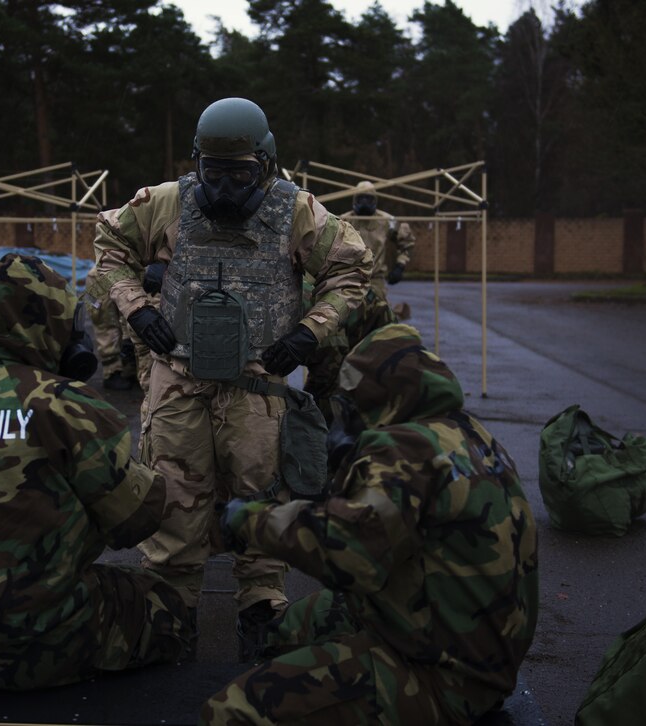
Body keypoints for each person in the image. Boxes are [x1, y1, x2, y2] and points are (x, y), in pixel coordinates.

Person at [90, 97, 372, 661]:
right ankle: (171, 603)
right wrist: (137, 309)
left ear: (265, 164)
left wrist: (310, 332)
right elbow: (109, 248)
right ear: (196, 163)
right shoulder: (164, 203)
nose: (222, 189)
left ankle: (261, 602)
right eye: (212, 173)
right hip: (178, 378)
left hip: (258, 385)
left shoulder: (298, 212)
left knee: (261, 490)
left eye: (238, 176)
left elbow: (351, 268)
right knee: (173, 490)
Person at [203, 323, 539, 724]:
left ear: (385, 398)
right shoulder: (468, 434)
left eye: (356, 405)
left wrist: (246, 520)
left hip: (441, 676)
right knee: (290, 629)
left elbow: (352, 552)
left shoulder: (405, 448)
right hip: (472, 643)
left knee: (233, 710)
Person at [0, 253, 192, 689]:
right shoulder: (63, 405)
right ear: (51, 326)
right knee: (167, 605)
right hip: (41, 649)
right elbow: (136, 519)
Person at [304, 180, 416, 422]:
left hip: (375, 281)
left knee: (376, 327)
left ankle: (370, 375)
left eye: (369, 199)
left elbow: (407, 242)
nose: (364, 203)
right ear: (354, 200)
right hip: (348, 279)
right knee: (343, 327)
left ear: (375, 200)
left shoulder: (387, 221)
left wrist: (400, 264)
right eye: (360, 199)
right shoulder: (344, 219)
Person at [88, 289, 138, 391]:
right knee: (105, 322)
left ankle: (129, 368)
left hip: (123, 283)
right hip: (100, 284)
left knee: (129, 317)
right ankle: (111, 372)